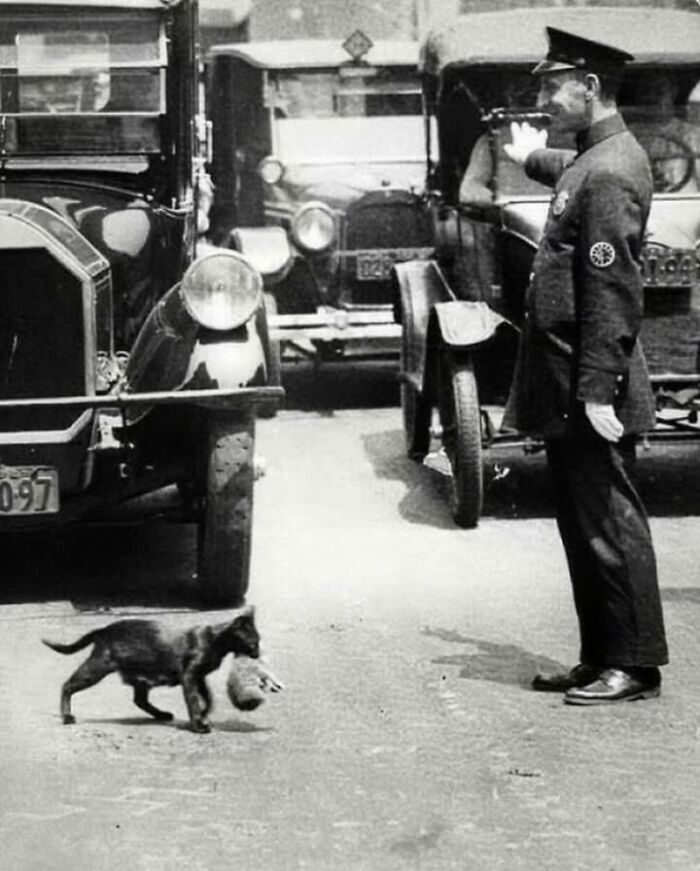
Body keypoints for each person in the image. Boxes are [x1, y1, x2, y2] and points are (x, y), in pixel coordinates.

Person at [501, 27, 668, 705]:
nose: (542, 97)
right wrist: (528, 155)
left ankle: (634, 664)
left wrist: (598, 389)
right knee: (583, 521)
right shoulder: (592, 159)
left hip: (589, 383)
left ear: (589, 86)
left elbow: (613, 291)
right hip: (569, 380)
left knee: (609, 523)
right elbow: (566, 173)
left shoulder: (610, 171)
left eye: (551, 85)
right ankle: (601, 655)